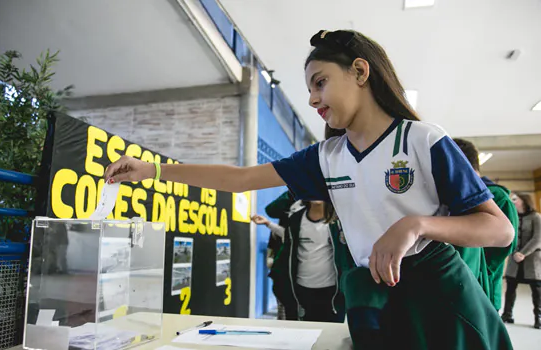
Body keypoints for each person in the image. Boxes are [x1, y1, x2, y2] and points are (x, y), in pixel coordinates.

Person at [104, 29, 515, 349]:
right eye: (309, 89)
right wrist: (154, 170)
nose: (314, 99)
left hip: (440, 296)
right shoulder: (328, 156)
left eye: (320, 83)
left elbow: (499, 230)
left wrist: (416, 224)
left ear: (359, 71)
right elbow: (241, 178)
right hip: (373, 296)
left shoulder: (421, 140)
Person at [252, 200, 345, 323]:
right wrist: (268, 224)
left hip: (331, 291)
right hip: (302, 289)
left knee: (330, 335)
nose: (314, 192)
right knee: (304, 333)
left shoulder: (337, 220)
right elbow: (289, 236)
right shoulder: (296, 218)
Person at [453, 138, 519, 311]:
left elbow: (504, 245)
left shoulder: (497, 197)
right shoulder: (453, 192)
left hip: (482, 286)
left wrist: (479, 273)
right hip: (457, 286)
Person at [502, 192, 541, 329]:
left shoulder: (536, 217)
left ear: (524, 201)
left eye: (515, 199)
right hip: (515, 259)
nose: (512, 201)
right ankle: (507, 314)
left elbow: (538, 239)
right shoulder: (513, 217)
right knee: (510, 287)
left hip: (532, 260)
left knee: (537, 291)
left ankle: (539, 318)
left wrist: (523, 253)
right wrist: (515, 253)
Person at [264, 190, 296, 320]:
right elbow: (270, 210)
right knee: (283, 305)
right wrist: (270, 258)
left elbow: (291, 236)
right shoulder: (285, 215)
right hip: (283, 267)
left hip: (300, 268)